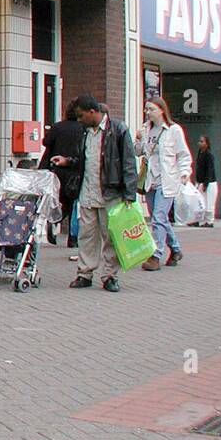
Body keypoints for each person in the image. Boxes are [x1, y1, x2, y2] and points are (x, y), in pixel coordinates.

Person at [59, 94, 138, 293]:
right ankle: (84, 273)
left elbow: (129, 163)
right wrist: (68, 161)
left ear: (92, 112)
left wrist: (129, 194)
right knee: (87, 235)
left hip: (110, 193)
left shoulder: (118, 130)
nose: (78, 120)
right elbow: (83, 159)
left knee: (110, 236)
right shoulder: (85, 132)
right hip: (87, 192)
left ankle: (110, 275)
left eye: (81, 116)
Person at [134, 96, 193, 270]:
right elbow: (137, 152)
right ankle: (175, 249)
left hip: (167, 181)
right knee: (159, 219)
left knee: (159, 217)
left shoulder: (173, 130)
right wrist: (138, 139)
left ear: (161, 110)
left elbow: (183, 154)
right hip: (150, 181)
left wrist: (184, 172)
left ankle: (156, 254)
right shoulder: (146, 129)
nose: (148, 113)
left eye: (151, 109)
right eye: (146, 109)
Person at [40, 100, 84, 248]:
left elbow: (46, 142)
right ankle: (72, 238)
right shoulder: (83, 129)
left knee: (58, 200)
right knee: (73, 204)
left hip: (56, 169)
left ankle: (53, 221)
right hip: (75, 171)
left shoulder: (58, 127)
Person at [191, 135, 218, 228]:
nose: (199, 143)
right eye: (199, 141)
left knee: (209, 202)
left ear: (207, 144)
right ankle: (199, 220)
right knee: (199, 202)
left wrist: (206, 183)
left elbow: (209, 170)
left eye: (202, 141)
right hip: (200, 182)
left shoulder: (208, 155)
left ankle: (209, 221)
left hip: (209, 183)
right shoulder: (200, 153)